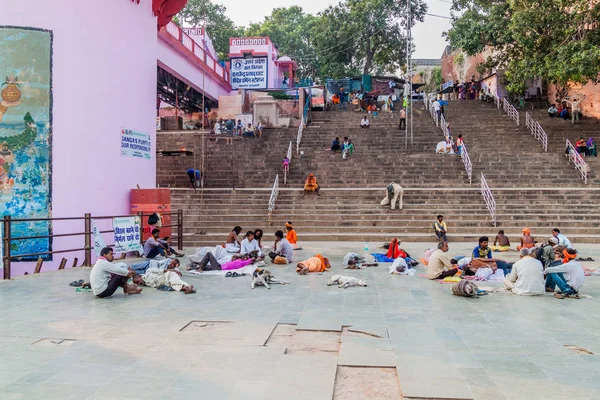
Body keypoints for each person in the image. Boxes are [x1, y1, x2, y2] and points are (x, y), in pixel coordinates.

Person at [190, 252, 254, 271]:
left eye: (246, 257)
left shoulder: (243, 262)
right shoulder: (239, 259)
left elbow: (251, 260)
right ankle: (193, 265)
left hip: (219, 267)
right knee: (207, 266)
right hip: (219, 266)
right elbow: (241, 255)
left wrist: (253, 258)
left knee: (209, 254)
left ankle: (200, 268)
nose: (245, 257)